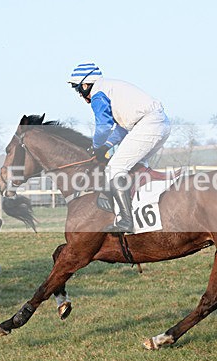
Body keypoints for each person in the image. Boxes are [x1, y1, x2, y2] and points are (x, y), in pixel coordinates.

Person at [69, 62, 171, 233]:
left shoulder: (98, 95)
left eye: (78, 88)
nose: (79, 94)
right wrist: (107, 145)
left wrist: (96, 146)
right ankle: (143, 209)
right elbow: (122, 128)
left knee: (115, 169)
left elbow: (103, 127)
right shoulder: (109, 88)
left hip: (148, 125)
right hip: (159, 123)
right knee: (135, 166)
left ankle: (126, 220)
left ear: (86, 84)